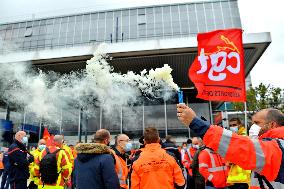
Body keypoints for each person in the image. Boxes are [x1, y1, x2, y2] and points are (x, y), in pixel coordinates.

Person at [177, 105, 284, 188]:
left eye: (257, 123)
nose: (253, 126)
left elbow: (236, 146)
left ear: (272, 125)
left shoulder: (276, 148)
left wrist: (196, 123)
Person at [227, 118, 251, 189]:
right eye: (230, 125)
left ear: (240, 125)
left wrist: (230, 159)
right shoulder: (234, 137)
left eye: (234, 125)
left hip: (243, 178)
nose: (232, 127)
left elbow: (238, 156)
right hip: (237, 178)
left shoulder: (242, 138)